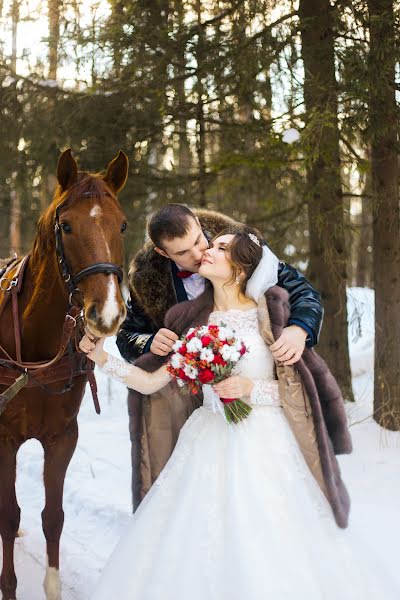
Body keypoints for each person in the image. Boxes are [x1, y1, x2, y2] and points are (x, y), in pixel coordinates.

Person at [81, 227, 394, 600]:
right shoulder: (196, 325)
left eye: (220, 247)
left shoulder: (271, 314)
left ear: (243, 267)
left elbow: (295, 392)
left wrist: (251, 389)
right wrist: (101, 358)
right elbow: (151, 383)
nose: (206, 252)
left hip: (266, 444)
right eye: (210, 245)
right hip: (205, 440)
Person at [116, 204, 325, 509]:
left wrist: (299, 328)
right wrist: (148, 341)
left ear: (200, 225)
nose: (199, 253)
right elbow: (126, 335)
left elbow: (302, 291)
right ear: (163, 254)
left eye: (200, 240)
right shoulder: (147, 278)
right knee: (185, 495)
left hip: (255, 404)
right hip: (183, 394)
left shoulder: (236, 248)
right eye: (183, 253)